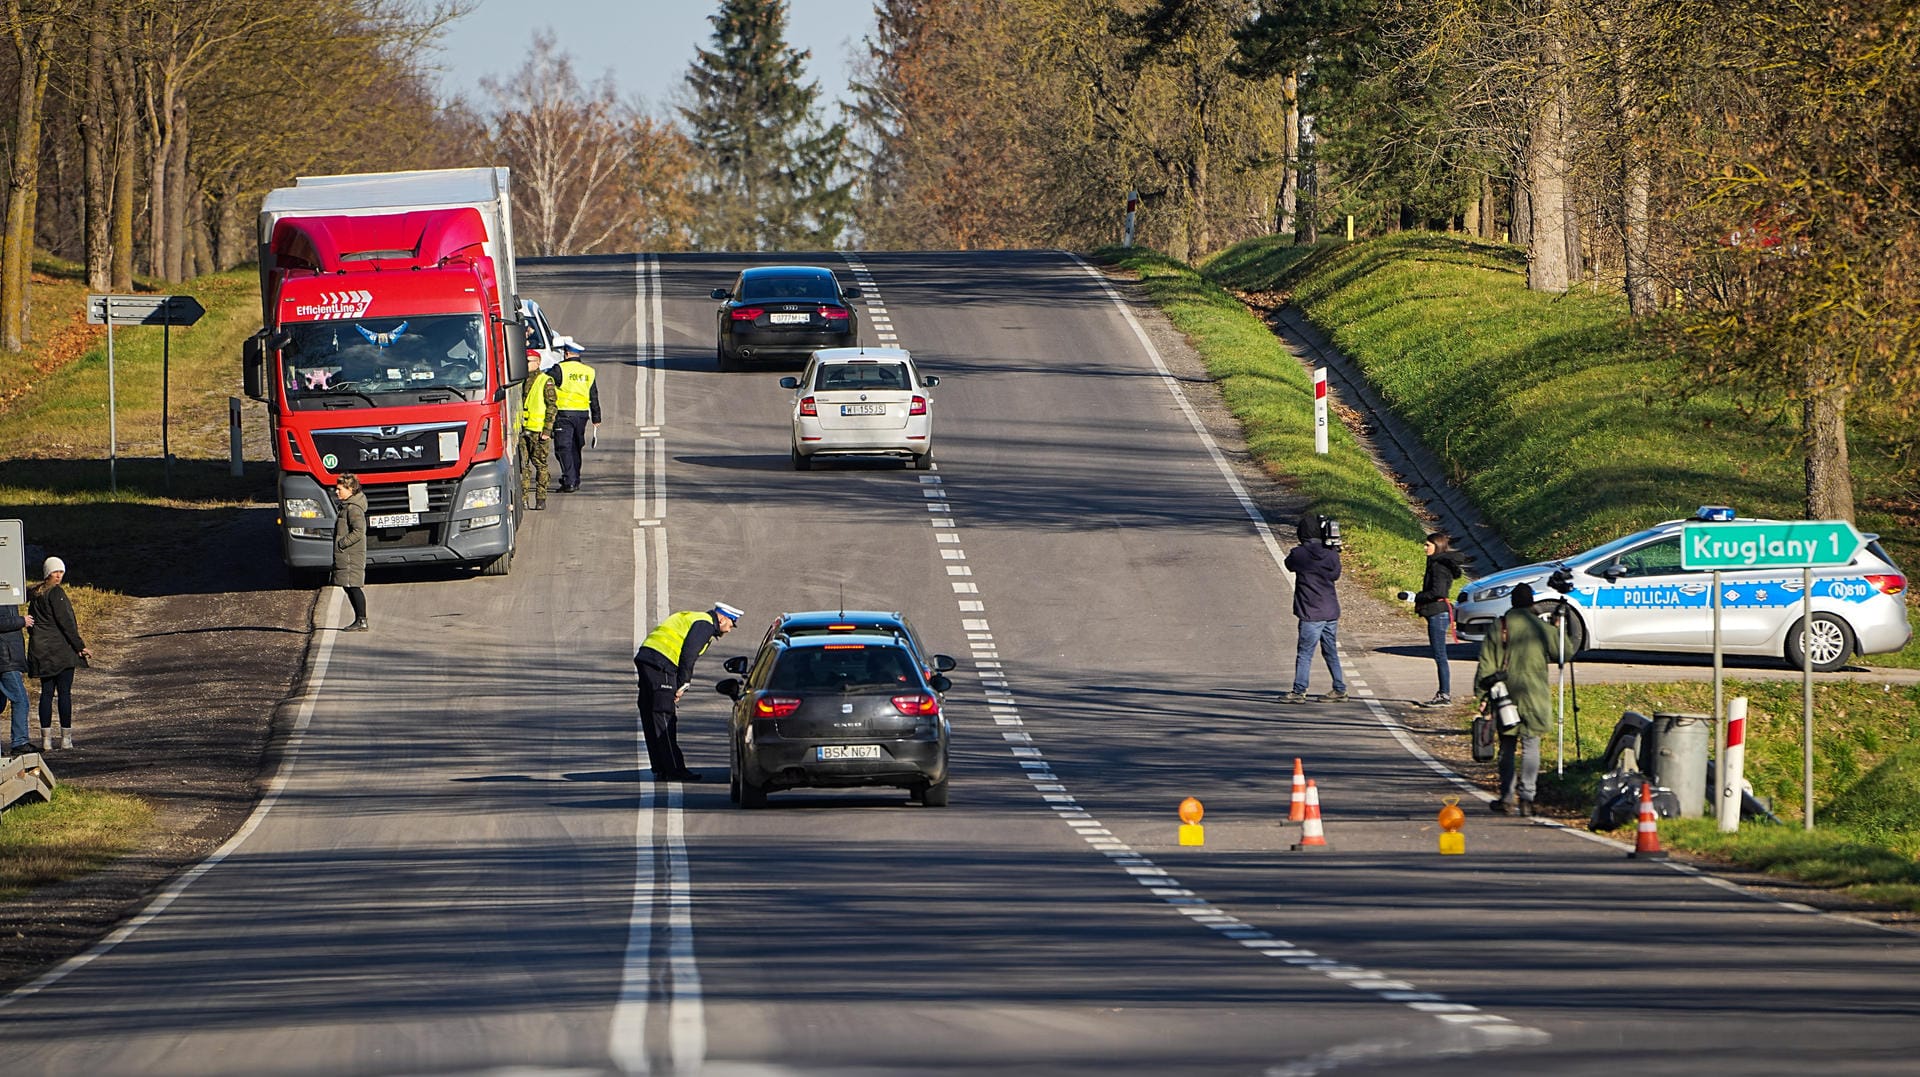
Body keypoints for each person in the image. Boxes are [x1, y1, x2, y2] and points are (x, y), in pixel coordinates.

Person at [1474, 582, 1565, 816]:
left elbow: (1486, 662)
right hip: (1535, 694)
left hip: (1506, 694)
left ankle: (1506, 797)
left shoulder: (1500, 625)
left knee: (1507, 746)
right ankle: (1527, 797)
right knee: (1531, 743)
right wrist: (1557, 628)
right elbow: (1564, 653)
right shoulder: (1540, 626)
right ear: (1531, 602)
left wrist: (1482, 695)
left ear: (1512, 602)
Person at [634, 602, 743, 782]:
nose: (729, 630)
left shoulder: (694, 617)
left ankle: (660, 767)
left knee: (650, 714)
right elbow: (688, 654)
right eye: (731, 624)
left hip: (648, 659)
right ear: (722, 618)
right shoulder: (706, 624)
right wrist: (682, 683)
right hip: (662, 663)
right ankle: (674, 769)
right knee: (664, 715)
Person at [1280, 512, 1348, 704]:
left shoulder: (1299, 554)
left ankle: (1299, 690)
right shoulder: (1331, 554)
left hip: (1311, 612)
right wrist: (1332, 550)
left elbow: (1289, 565)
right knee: (1330, 650)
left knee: (1305, 652)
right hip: (1331, 610)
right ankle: (1339, 688)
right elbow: (1335, 575)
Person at [27, 557, 90, 750]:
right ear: (48, 573)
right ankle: (66, 738)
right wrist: (80, 646)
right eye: (55, 572)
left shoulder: (36, 595)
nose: (59, 576)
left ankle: (46, 740)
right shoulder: (57, 593)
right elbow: (67, 623)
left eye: (61, 572)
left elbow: (31, 625)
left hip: (42, 651)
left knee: (46, 694)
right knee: (64, 694)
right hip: (61, 651)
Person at [1414, 532, 1470, 707]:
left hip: (1438, 613)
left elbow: (1438, 592)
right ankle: (1443, 693)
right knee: (1439, 655)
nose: (1424, 548)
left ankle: (1444, 694)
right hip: (1440, 612)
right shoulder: (1439, 562)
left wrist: (1416, 597)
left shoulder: (1438, 565)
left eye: (1427, 545)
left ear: (1436, 546)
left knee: (1440, 655)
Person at [549, 337, 600, 493]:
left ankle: (570, 480)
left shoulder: (559, 369)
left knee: (563, 447)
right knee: (575, 447)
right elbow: (594, 395)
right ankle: (574, 478)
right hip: (582, 415)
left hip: (564, 414)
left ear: (566, 354)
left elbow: (545, 383)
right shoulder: (588, 371)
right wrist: (596, 418)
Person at [519, 352, 559, 510]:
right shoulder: (519, 380)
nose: (526, 364)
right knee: (523, 466)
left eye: (529, 361)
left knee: (541, 465)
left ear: (537, 363)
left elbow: (552, 407)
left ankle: (541, 498)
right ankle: (523, 499)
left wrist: (547, 430)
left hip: (538, 431)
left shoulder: (545, 381)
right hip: (522, 430)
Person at [332, 473, 369, 631]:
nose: (336, 491)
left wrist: (342, 543)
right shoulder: (347, 506)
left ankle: (361, 620)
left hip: (351, 554)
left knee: (353, 586)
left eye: (340, 488)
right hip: (347, 554)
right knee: (348, 586)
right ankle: (359, 619)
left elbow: (359, 531)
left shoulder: (353, 509)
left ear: (350, 489)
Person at [1, 599, 33, 755]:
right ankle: (20, 742)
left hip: (9, 658)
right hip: (5, 660)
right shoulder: (3, 595)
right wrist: (21, 620)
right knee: (20, 699)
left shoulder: (9, 597)